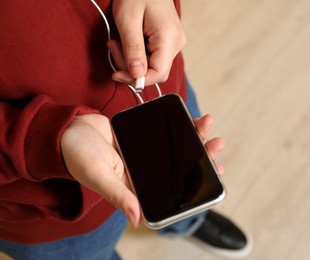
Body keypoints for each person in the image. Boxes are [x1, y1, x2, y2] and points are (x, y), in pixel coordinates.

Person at [0, 0, 252, 259]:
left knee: (191, 188)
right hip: (51, 200)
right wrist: (45, 137)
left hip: (166, 102)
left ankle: (188, 222)